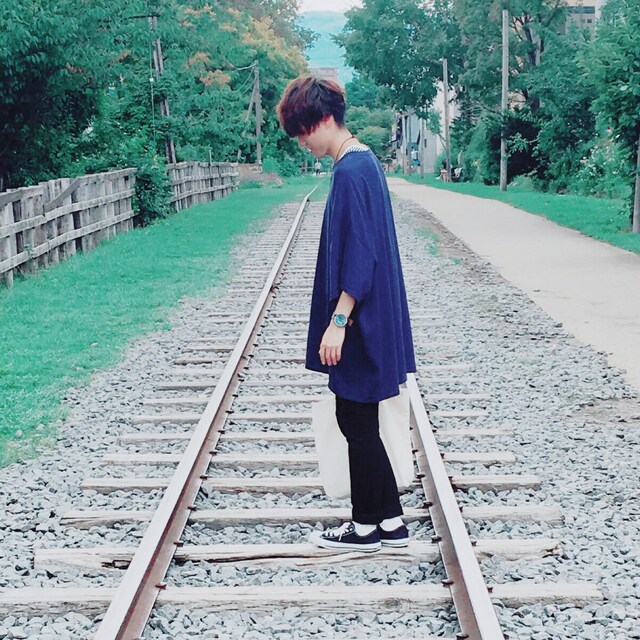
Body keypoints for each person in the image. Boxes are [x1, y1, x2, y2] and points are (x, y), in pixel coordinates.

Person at [277, 76, 416, 552]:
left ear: (321, 120)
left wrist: (338, 322)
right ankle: (388, 524)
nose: (302, 142)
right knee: (358, 418)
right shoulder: (362, 162)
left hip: (360, 319)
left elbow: (361, 254)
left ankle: (366, 527)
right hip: (369, 315)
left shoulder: (352, 171)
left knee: (354, 418)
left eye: (302, 131)